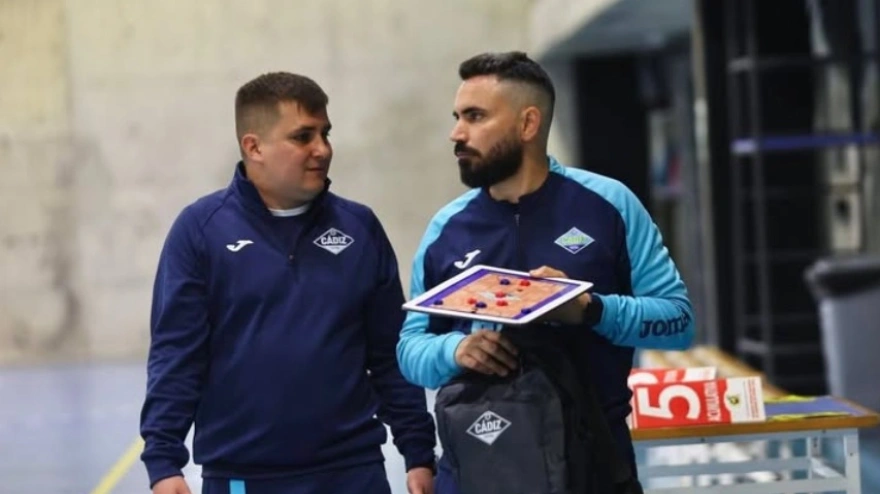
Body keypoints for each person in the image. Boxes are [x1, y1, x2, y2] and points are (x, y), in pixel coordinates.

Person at [396, 52, 695, 492]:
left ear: (528, 124)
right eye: (458, 117)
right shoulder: (447, 228)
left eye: (475, 117)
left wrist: (591, 310)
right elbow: (409, 349)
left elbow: (678, 322)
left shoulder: (608, 204)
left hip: (593, 468)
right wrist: (457, 350)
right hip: (478, 467)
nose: (456, 134)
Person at [140, 71, 437, 494]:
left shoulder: (359, 227)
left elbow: (390, 353)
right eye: (303, 137)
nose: (322, 149)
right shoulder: (200, 231)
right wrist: (164, 461)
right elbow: (177, 354)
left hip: (354, 472)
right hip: (243, 475)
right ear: (253, 146)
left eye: (325, 133)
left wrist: (418, 452)